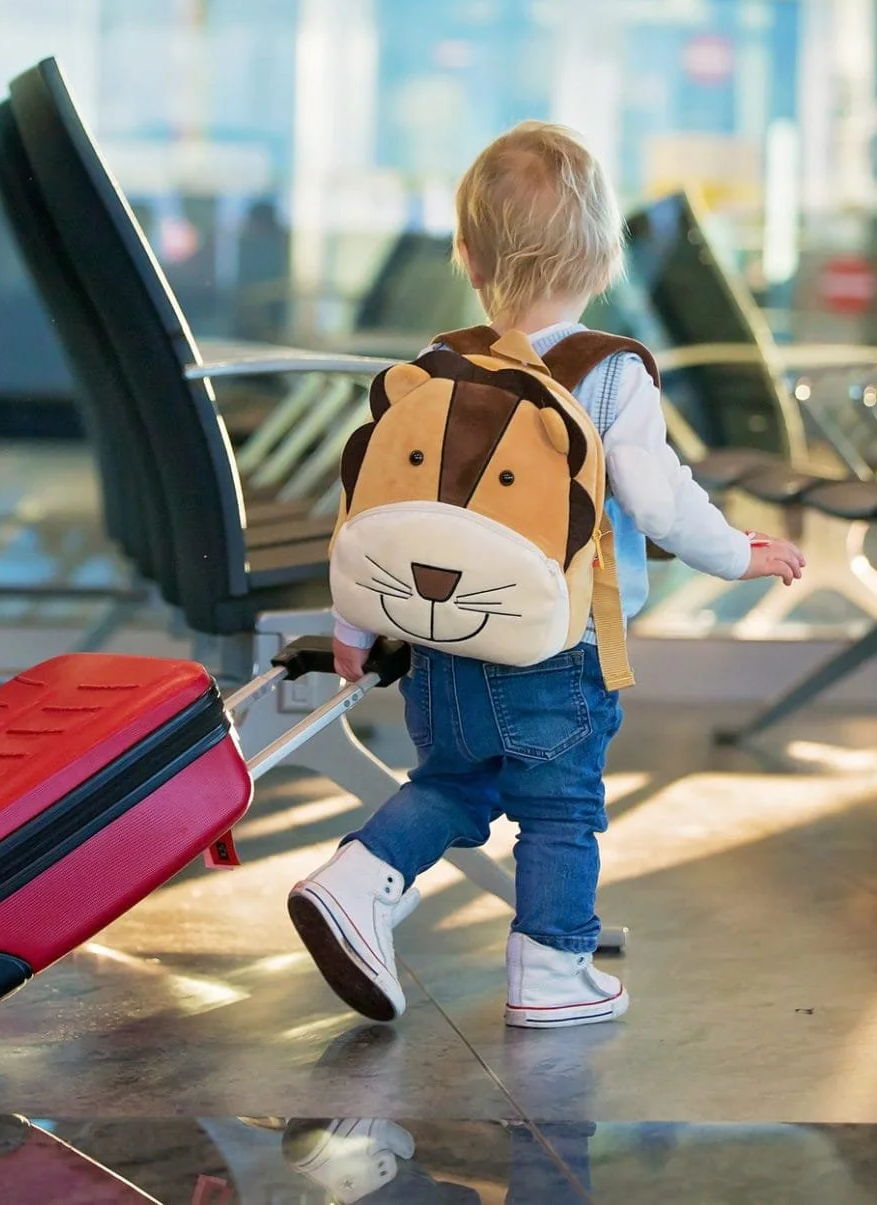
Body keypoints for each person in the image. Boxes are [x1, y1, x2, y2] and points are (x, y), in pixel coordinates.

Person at [288, 122, 806, 1029]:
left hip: (439, 640)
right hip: (555, 649)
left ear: (466, 255)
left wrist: (356, 628)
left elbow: (372, 511)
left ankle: (358, 876)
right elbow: (660, 499)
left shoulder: (430, 370)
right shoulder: (610, 377)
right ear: (604, 255)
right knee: (561, 810)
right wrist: (737, 553)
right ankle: (553, 968)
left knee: (452, 783)